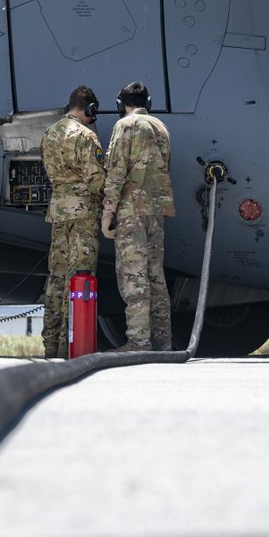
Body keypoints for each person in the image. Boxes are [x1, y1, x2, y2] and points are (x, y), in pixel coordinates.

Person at [101, 82, 175, 352]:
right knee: (155, 276)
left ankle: (139, 341)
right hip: (155, 211)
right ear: (149, 102)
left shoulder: (125, 126)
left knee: (133, 275)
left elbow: (116, 172)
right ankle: (163, 342)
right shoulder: (160, 127)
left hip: (131, 210)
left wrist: (107, 212)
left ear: (121, 104)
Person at [40, 86, 106, 358]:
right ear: (89, 109)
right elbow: (96, 180)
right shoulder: (86, 137)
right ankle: (73, 341)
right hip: (82, 214)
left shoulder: (49, 133)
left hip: (59, 211)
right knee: (79, 276)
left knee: (56, 276)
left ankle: (51, 342)